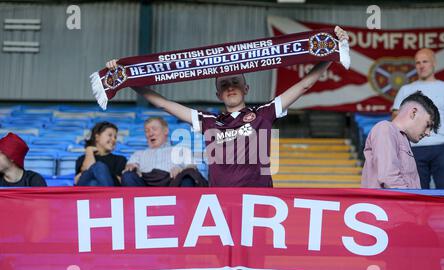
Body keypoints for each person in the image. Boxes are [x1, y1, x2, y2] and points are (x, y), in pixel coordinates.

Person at [107, 26, 349, 187]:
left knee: (256, 260)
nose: (230, 86)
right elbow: (163, 103)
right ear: (218, 93)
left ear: (246, 89)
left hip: (259, 200)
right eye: (224, 84)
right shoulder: (208, 121)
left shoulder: (263, 114)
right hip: (219, 200)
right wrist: (128, 78)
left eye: (236, 82)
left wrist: (332, 53)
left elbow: (304, 85)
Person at [391, 48, 444, 189]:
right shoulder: (406, 89)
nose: (421, 65)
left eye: (425, 61)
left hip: (442, 147)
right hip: (414, 148)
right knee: (417, 194)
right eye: (418, 63)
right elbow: (395, 118)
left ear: (434, 63)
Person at [362, 91, 440, 189]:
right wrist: (413, 202)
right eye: (428, 125)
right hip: (391, 203)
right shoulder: (385, 128)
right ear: (413, 113)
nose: (428, 133)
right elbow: (389, 178)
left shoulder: (402, 139)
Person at [121, 117, 202, 186]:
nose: (150, 133)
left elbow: (192, 167)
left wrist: (181, 170)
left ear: (166, 131)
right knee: (128, 175)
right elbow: (130, 166)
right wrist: (131, 167)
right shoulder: (138, 154)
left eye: (154, 129)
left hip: (173, 183)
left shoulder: (181, 150)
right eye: (147, 131)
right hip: (145, 185)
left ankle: (186, 204)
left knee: (188, 176)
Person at [75, 121, 127, 186]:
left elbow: (119, 182)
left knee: (94, 182)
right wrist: (89, 152)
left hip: (108, 190)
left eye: (115, 137)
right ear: (97, 137)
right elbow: (77, 180)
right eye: (110, 135)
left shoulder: (120, 159)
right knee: (97, 169)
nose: (113, 139)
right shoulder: (82, 158)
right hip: (87, 191)